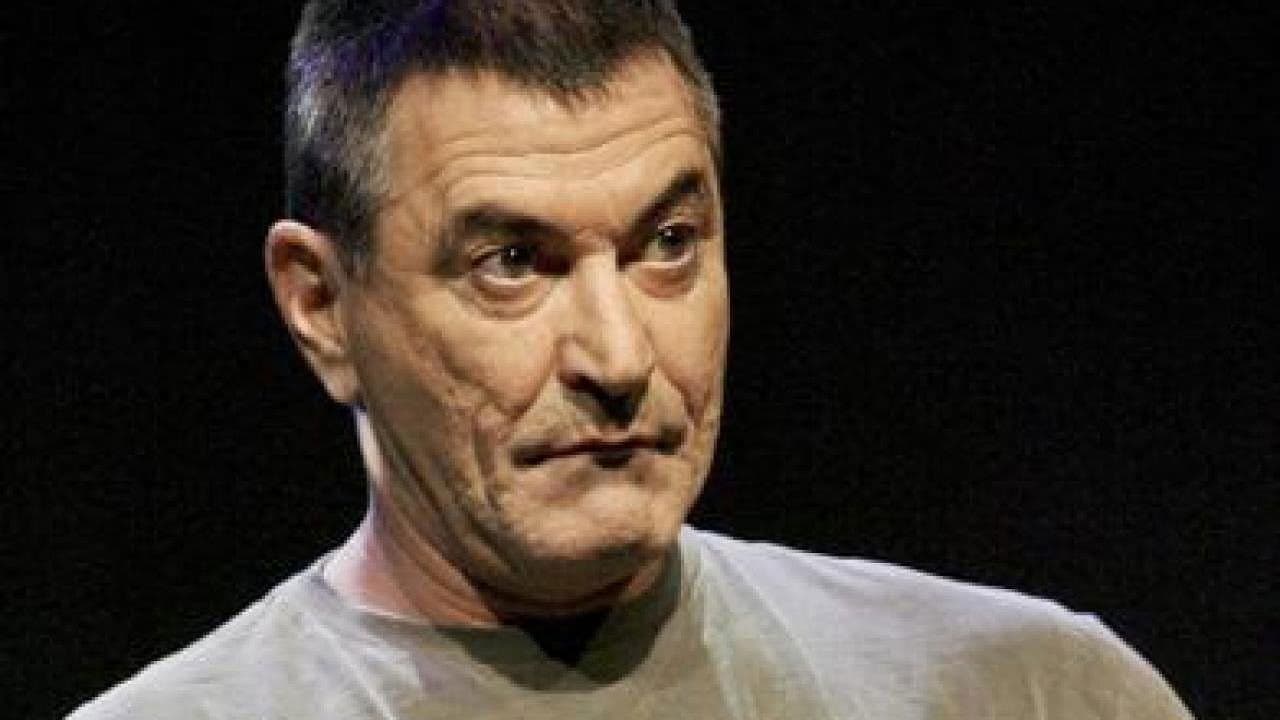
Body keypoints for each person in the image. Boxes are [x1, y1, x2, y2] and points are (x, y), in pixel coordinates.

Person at [70, 1, 1194, 718]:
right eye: (513, 262)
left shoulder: (1035, 693)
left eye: (667, 244)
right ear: (320, 306)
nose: (617, 356)